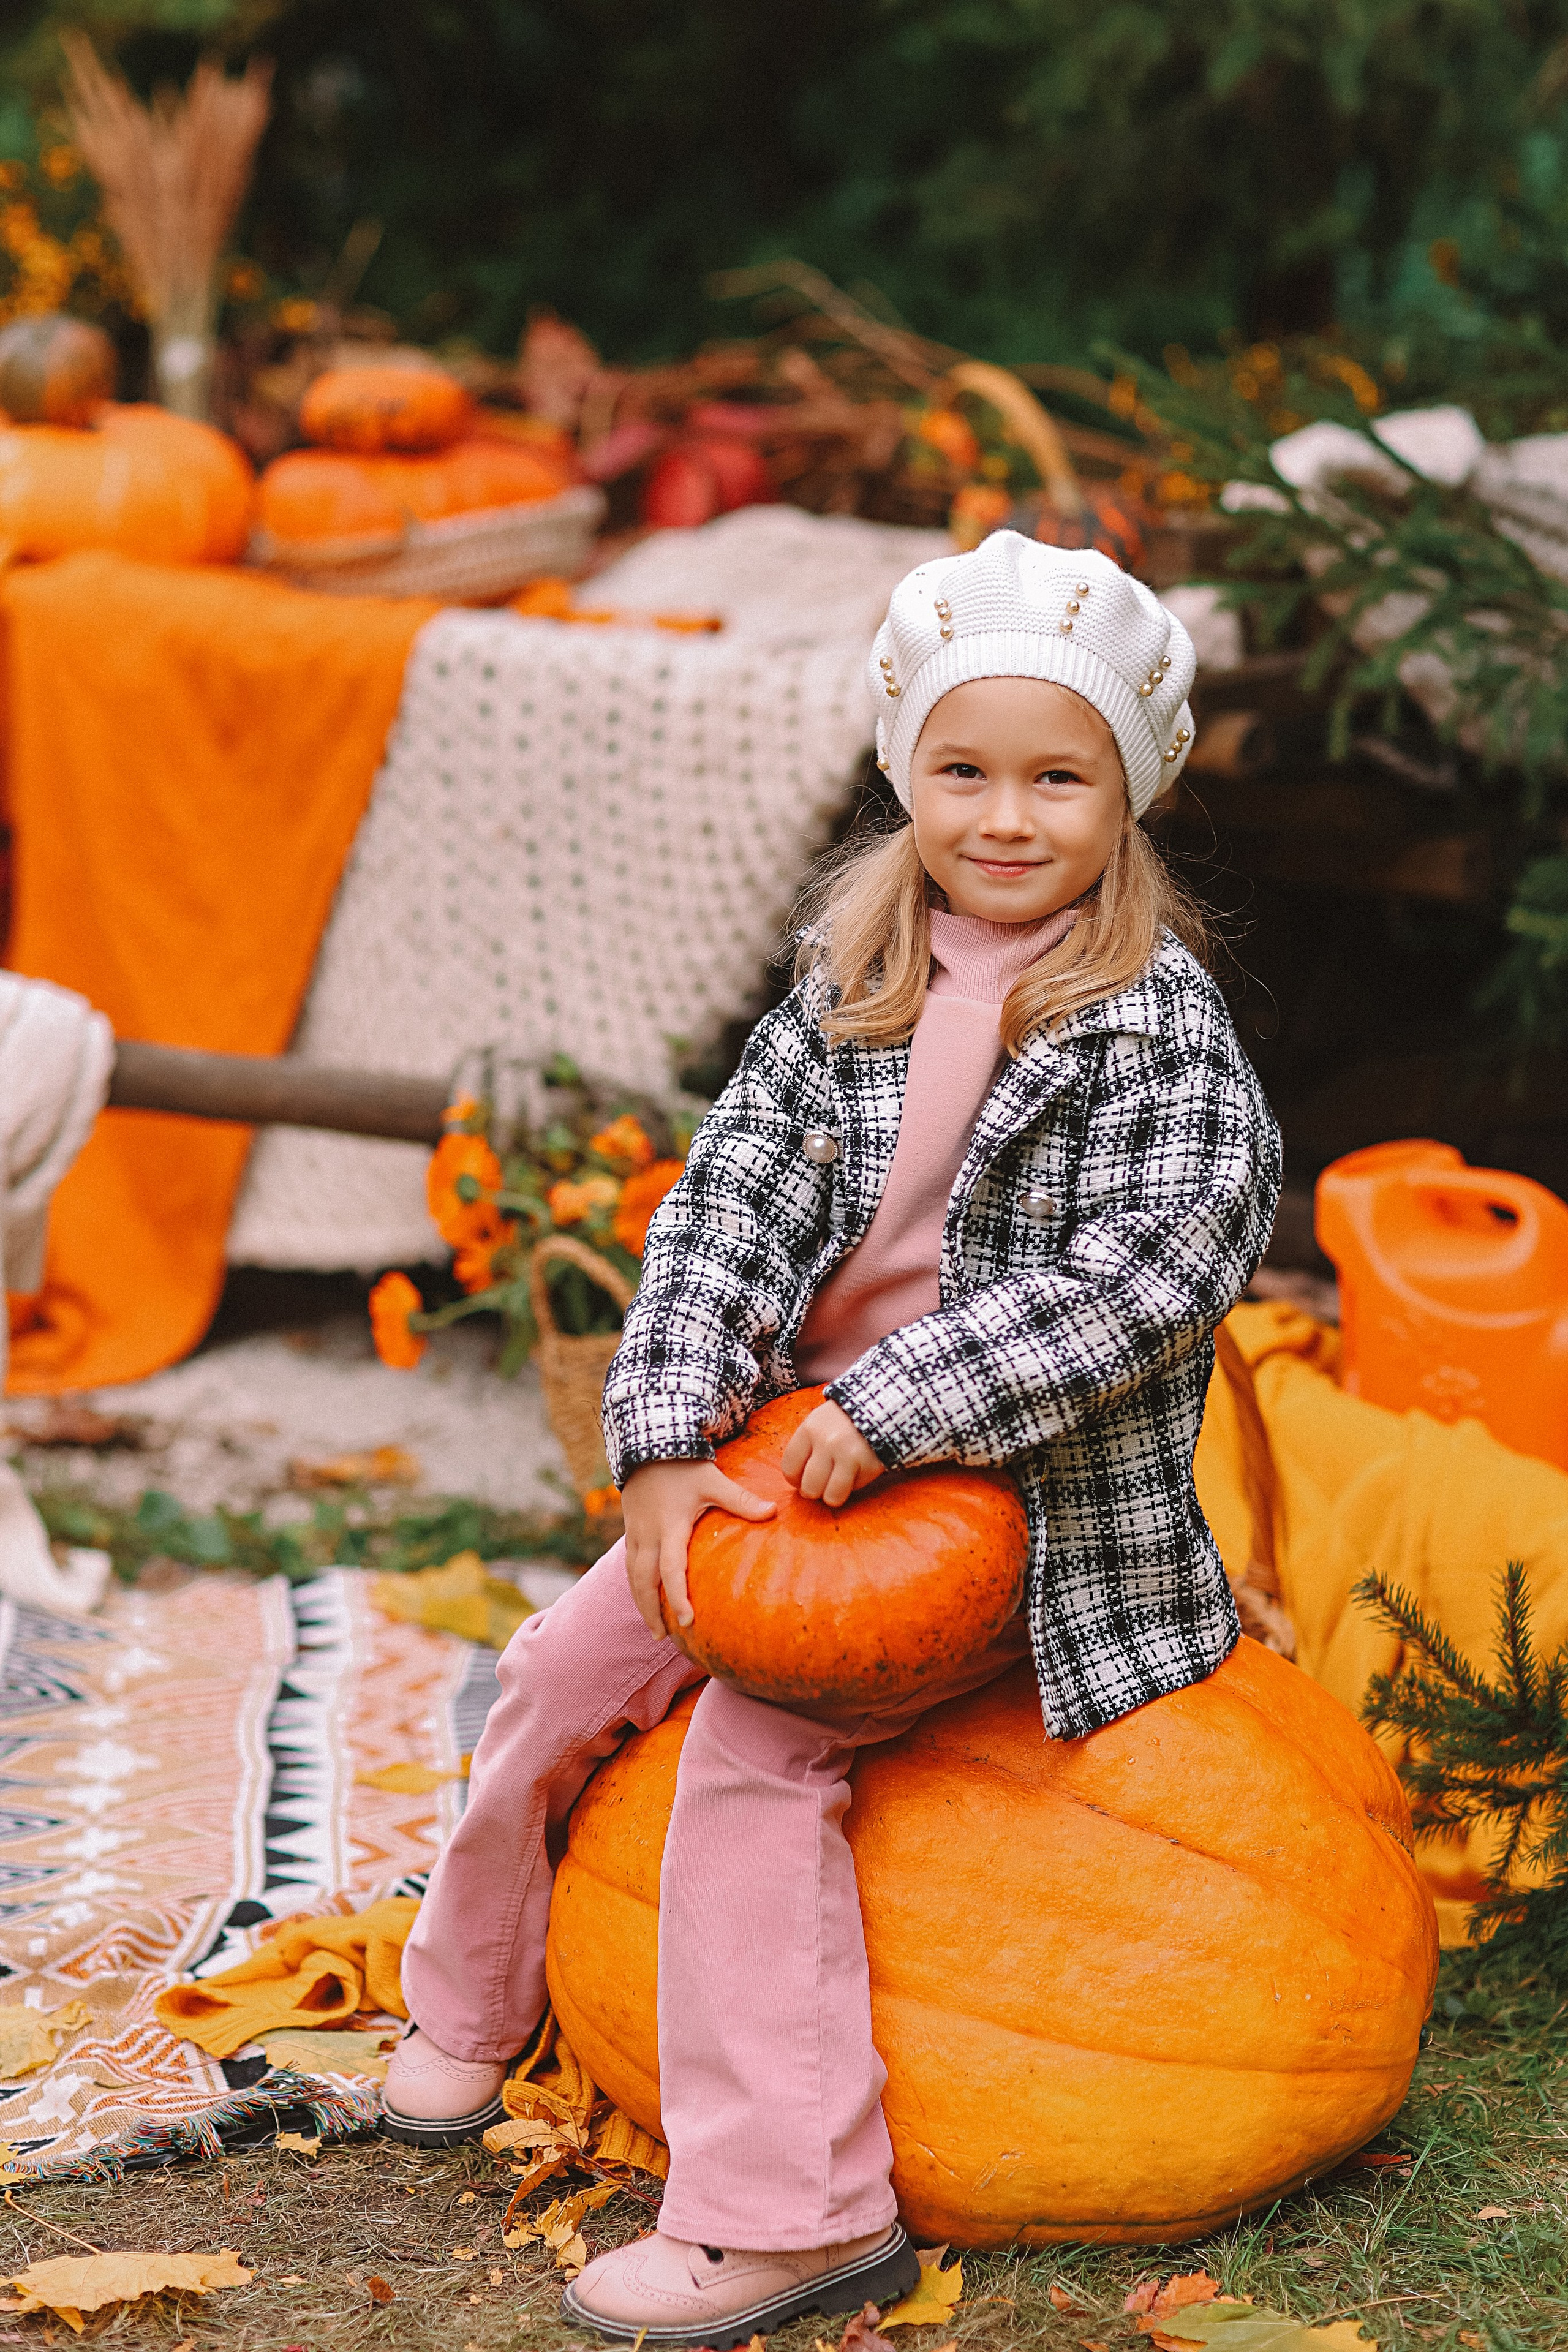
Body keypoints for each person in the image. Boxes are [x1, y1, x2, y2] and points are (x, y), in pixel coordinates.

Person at [382, 532, 1282, 2346]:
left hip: (1006, 1509)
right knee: (560, 1667)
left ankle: (795, 2208)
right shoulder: (855, 971)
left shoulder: (1155, 1027)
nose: (1007, 816)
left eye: (1058, 775)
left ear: (1132, 792)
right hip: (793, 1469)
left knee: (748, 1759)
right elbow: (730, 1205)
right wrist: (659, 1433)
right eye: (966, 770)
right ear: (904, 773)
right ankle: (471, 1999)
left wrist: (897, 1404)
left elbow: (1152, 1275)